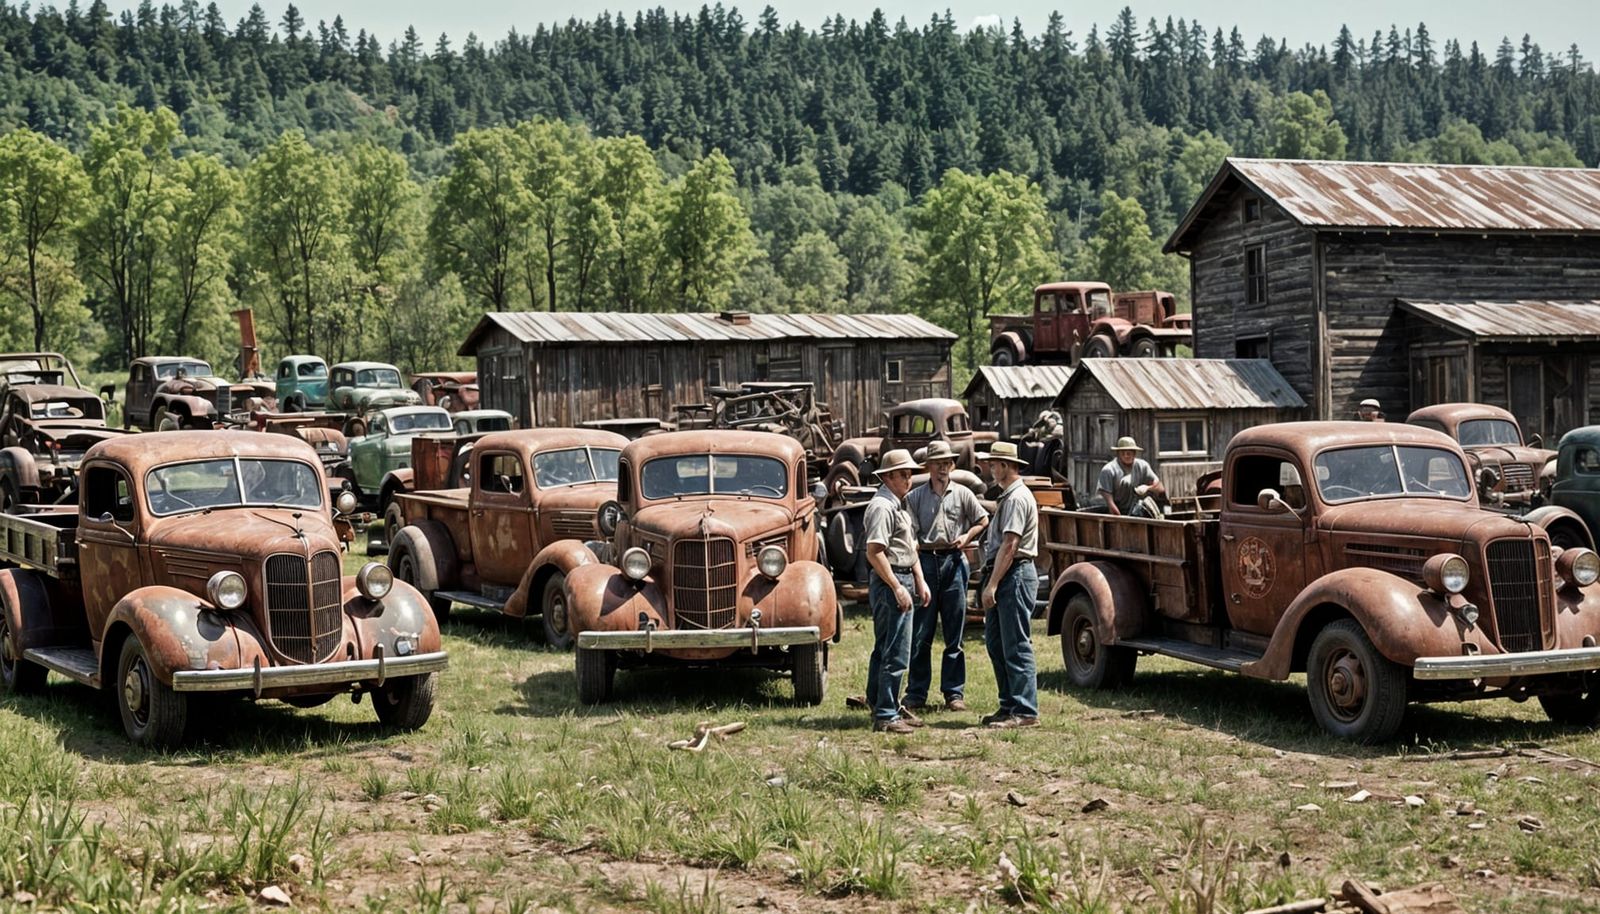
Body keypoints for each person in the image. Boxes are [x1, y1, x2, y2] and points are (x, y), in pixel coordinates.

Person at [903, 441, 988, 713]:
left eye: (947, 463)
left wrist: (967, 536)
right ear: (928, 466)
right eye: (938, 463)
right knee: (921, 633)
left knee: (955, 633)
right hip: (926, 562)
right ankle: (916, 693)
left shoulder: (963, 493)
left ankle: (953, 693)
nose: (943, 468)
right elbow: (910, 535)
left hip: (954, 561)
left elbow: (982, 520)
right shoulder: (914, 497)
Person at [861, 449, 932, 734]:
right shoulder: (882, 506)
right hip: (891, 579)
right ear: (888, 477)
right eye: (903, 474)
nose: (909, 479)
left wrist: (919, 579)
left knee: (887, 646)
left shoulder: (898, 504)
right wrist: (897, 586)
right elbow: (874, 552)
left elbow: (909, 547)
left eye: (910, 474)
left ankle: (882, 702)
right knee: (895, 651)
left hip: (901, 576)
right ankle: (886, 714)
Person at [977, 441, 1040, 729]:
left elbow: (1010, 544)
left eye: (993, 464)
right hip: (1006, 573)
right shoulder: (1009, 496)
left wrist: (992, 585)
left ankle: (1025, 710)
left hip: (1013, 573)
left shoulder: (1015, 498)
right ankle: (1009, 705)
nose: (991, 469)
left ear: (1005, 466)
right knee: (996, 642)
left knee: (1015, 643)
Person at [1097, 437, 1163, 517]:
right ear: (1118, 453)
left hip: (1138, 511)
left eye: (1129, 452)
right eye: (1123, 452)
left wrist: (1148, 488)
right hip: (1114, 513)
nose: (1126, 455)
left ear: (1134, 453)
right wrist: (1122, 520)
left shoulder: (1142, 466)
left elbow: (1160, 488)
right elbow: (1110, 504)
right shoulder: (1109, 470)